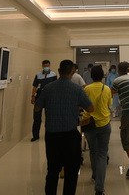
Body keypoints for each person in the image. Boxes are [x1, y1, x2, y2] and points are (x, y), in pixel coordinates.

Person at [35, 60, 93, 195]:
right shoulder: (77, 89)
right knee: (71, 171)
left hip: (52, 136)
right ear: (73, 72)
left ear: (59, 71)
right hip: (70, 136)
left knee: (52, 170)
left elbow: (37, 107)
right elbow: (91, 108)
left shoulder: (48, 88)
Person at [81, 65, 112, 195]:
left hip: (89, 124)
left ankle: (94, 174)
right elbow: (109, 105)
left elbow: (84, 105)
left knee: (93, 152)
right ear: (102, 76)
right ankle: (99, 188)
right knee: (102, 154)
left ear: (91, 76)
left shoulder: (87, 89)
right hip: (104, 124)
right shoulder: (107, 89)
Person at [31, 60, 57, 141]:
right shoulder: (38, 75)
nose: (46, 67)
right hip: (39, 97)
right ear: (42, 66)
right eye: (45, 66)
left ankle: (49, 134)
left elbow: (55, 87)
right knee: (36, 117)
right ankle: (35, 136)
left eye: (47, 66)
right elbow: (34, 87)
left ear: (49, 66)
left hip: (49, 98)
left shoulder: (53, 75)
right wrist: (33, 96)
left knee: (49, 117)